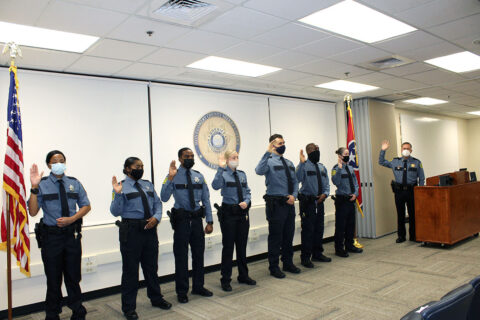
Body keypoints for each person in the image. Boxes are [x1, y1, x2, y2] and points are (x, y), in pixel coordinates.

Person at [28, 150, 91, 320]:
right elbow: (33, 211)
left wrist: (73, 219)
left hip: (71, 237)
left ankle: (78, 311)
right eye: (55, 161)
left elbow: (86, 206)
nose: (58, 163)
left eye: (61, 160)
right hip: (51, 238)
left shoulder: (74, 183)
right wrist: (34, 188)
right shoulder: (42, 184)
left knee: (73, 278)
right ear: (49, 165)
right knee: (53, 280)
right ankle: (52, 314)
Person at [110, 157, 172, 320]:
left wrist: (157, 217)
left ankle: (156, 298)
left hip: (150, 230)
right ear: (128, 169)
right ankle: (129, 308)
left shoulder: (147, 184)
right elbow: (115, 211)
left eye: (142, 166)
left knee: (151, 268)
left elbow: (158, 203)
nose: (140, 168)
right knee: (130, 271)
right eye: (137, 166)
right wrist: (117, 195)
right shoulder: (121, 187)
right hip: (131, 232)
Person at [160, 147, 213, 303]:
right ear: (180, 159)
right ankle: (182, 291)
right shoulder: (173, 176)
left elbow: (207, 200)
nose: (190, 158)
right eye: (186, 156)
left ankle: (198, 286)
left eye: (191, 156)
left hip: (197, 221)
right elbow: (163, 197)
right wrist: (170, 178)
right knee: (181, 258)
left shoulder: (199, 176)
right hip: (182, 221)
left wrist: (209, 221)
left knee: (198, 255)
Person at [255, 134, 300, 279]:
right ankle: (273, 267)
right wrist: (267, 152)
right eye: (280, 143)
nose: (283, 145)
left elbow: (295, 182)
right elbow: (258, 171)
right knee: (276, 237)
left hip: (289, 203)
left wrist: (294, 196)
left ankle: (288, 263)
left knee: (289, 234)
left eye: (284, 142)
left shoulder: (289, 162)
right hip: (276, 204)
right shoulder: (268, 161)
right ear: (273, 145)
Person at [211, 150, 256, 292]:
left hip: (242, 213)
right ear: (226, 160)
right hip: (229, 214)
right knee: (228, 247)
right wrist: (220, 167)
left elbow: (247, 191)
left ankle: (243, 275)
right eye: (233, 157)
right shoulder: (223, 174)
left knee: (242, 246)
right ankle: (225, 279)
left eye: (237, 157)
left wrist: (247, 201)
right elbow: (215, 186)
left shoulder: (242, 174)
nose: (236, 159)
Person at [378, 140, 425, 243]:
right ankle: (401, 236)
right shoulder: (395, 161)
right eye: (404, 148)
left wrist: (420, 191)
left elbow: (421, 178)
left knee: (413, 214)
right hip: (399, 192)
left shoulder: (417, 162)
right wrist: (383, 150)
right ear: (401, 150)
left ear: (411, 150)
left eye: (408, 148)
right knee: (400, 214)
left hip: (412, 191)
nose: (406, 150)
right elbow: (381, 162)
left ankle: (414, 236)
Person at [296, 143, 331, 268]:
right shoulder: (304, 166)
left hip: (320, 201)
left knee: (319, 228)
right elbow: (297, 178)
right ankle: (305, 257)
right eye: (314, 150)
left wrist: (325, 194)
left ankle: (317, 253)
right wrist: (301, 163)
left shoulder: (322, 167)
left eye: (318, 149)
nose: (317, 151)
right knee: (308, 230)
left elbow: (327, 184)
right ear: (309, 152)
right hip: (308, 202)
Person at [331, 147, 362, 258]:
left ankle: (350, 246)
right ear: (339, 156)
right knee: (340, 226)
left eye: (348, 153)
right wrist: (339, 169)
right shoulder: (335, 168)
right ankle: (339, 249)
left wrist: (355, 194)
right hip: (341, 200)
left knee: (350, 225)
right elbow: (336, 182)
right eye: (345, 153)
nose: (347, 155)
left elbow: (356, 183)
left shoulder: (350, 168)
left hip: (351, 199)